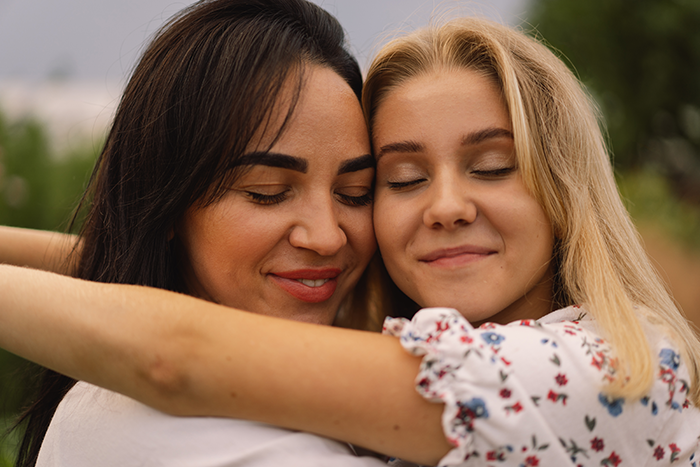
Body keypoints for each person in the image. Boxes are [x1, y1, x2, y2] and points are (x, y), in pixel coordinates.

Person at [2, 15, 700, 467]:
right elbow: (141, 264)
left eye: (491, 167)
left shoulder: (620, 370)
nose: (448, 206)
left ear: (565, 192)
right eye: (398, 181)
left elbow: (175, 350)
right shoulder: (395, 355)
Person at [1, 0, 391, 466]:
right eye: (267, 192)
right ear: (165, 203)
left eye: (355, 192)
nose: (327, 237)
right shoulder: (148, 425)